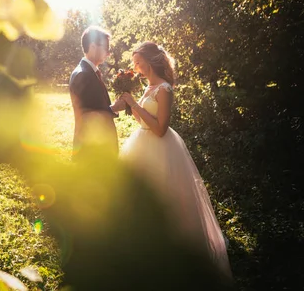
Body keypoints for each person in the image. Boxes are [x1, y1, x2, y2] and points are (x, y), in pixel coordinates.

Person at [117, 41, 233, 281]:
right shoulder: (148, 87)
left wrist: (134, 104)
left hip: (161, 147)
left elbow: (160, 128)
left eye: (138, 62)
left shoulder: (165, 89)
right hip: (140, 144)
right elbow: (142, 120)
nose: (135, 67)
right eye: (134, 63)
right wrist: (125, 104)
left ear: (151, 61)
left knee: (167, 197)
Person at [69, 26, 126, 158]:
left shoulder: (88, 72)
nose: (109, 53)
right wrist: (114, 108)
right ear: (93, 46)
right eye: (106, 48)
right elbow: (87, 118)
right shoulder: (83, 74)